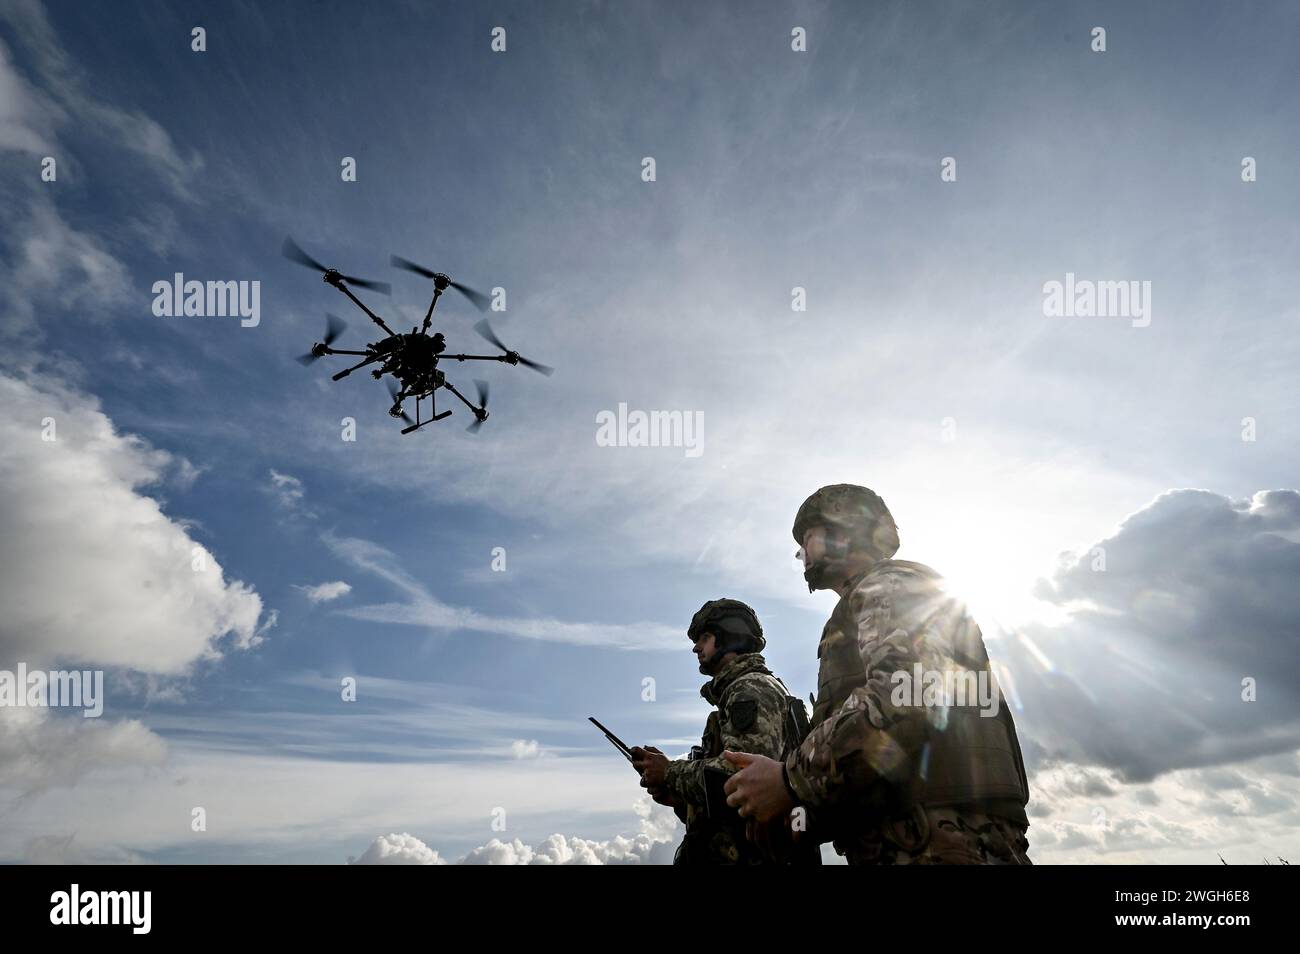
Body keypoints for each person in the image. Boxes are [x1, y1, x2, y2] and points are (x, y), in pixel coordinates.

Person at [723, 484, 1032, 864]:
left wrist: (789, 781)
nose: (801, 553)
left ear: (845, 530)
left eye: (809, 538)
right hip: (916, 838)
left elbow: (905, 697)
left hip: (940, 841)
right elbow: (881, 757)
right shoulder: (871, 598)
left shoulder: (890, 584)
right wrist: (798, 813)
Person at [631, 599, 819, 865]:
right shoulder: (737, 693)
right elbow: (726, 806)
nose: (696, 647)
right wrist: (677, 798)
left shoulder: (751, 690)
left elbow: (741, 779)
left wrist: (670, 772)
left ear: (731, 637)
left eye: (705, 637)